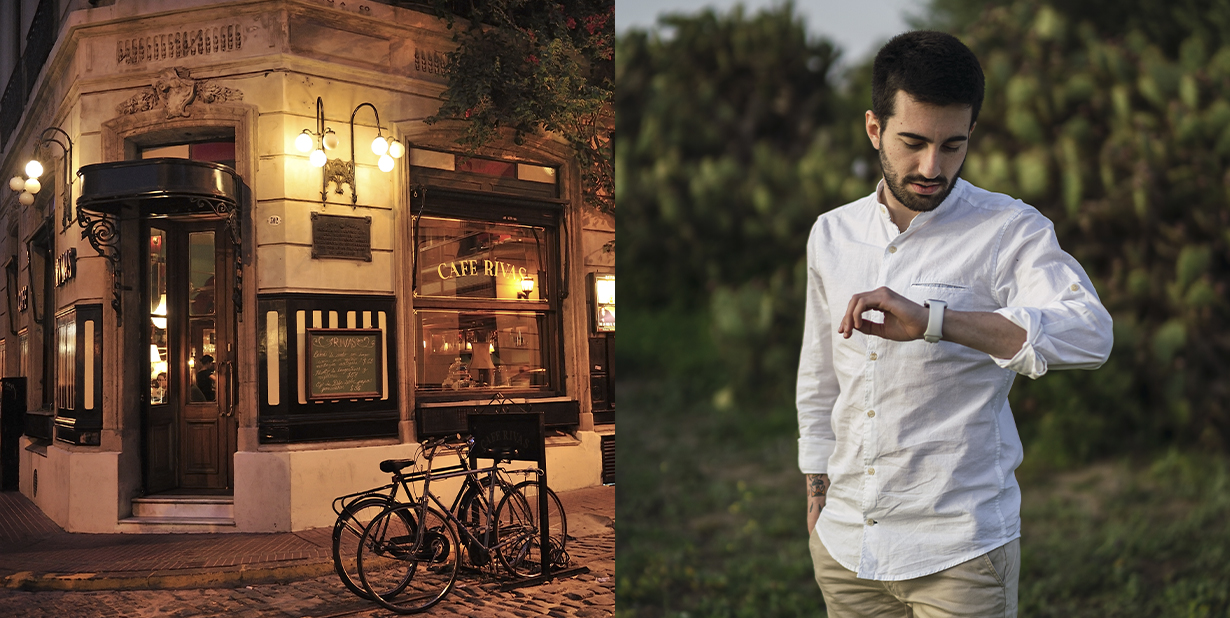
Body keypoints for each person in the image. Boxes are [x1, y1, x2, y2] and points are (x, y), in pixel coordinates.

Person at [796, 31, 1113, 618]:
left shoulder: (1009, 229)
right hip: (845, 551)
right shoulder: (831, 233)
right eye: (912, 142)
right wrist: (817, 495)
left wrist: (937, 322)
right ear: (874, 129)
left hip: (959, 554)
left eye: (952, 146)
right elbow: (819, 376)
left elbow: (1090, 334)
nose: (931, 167)